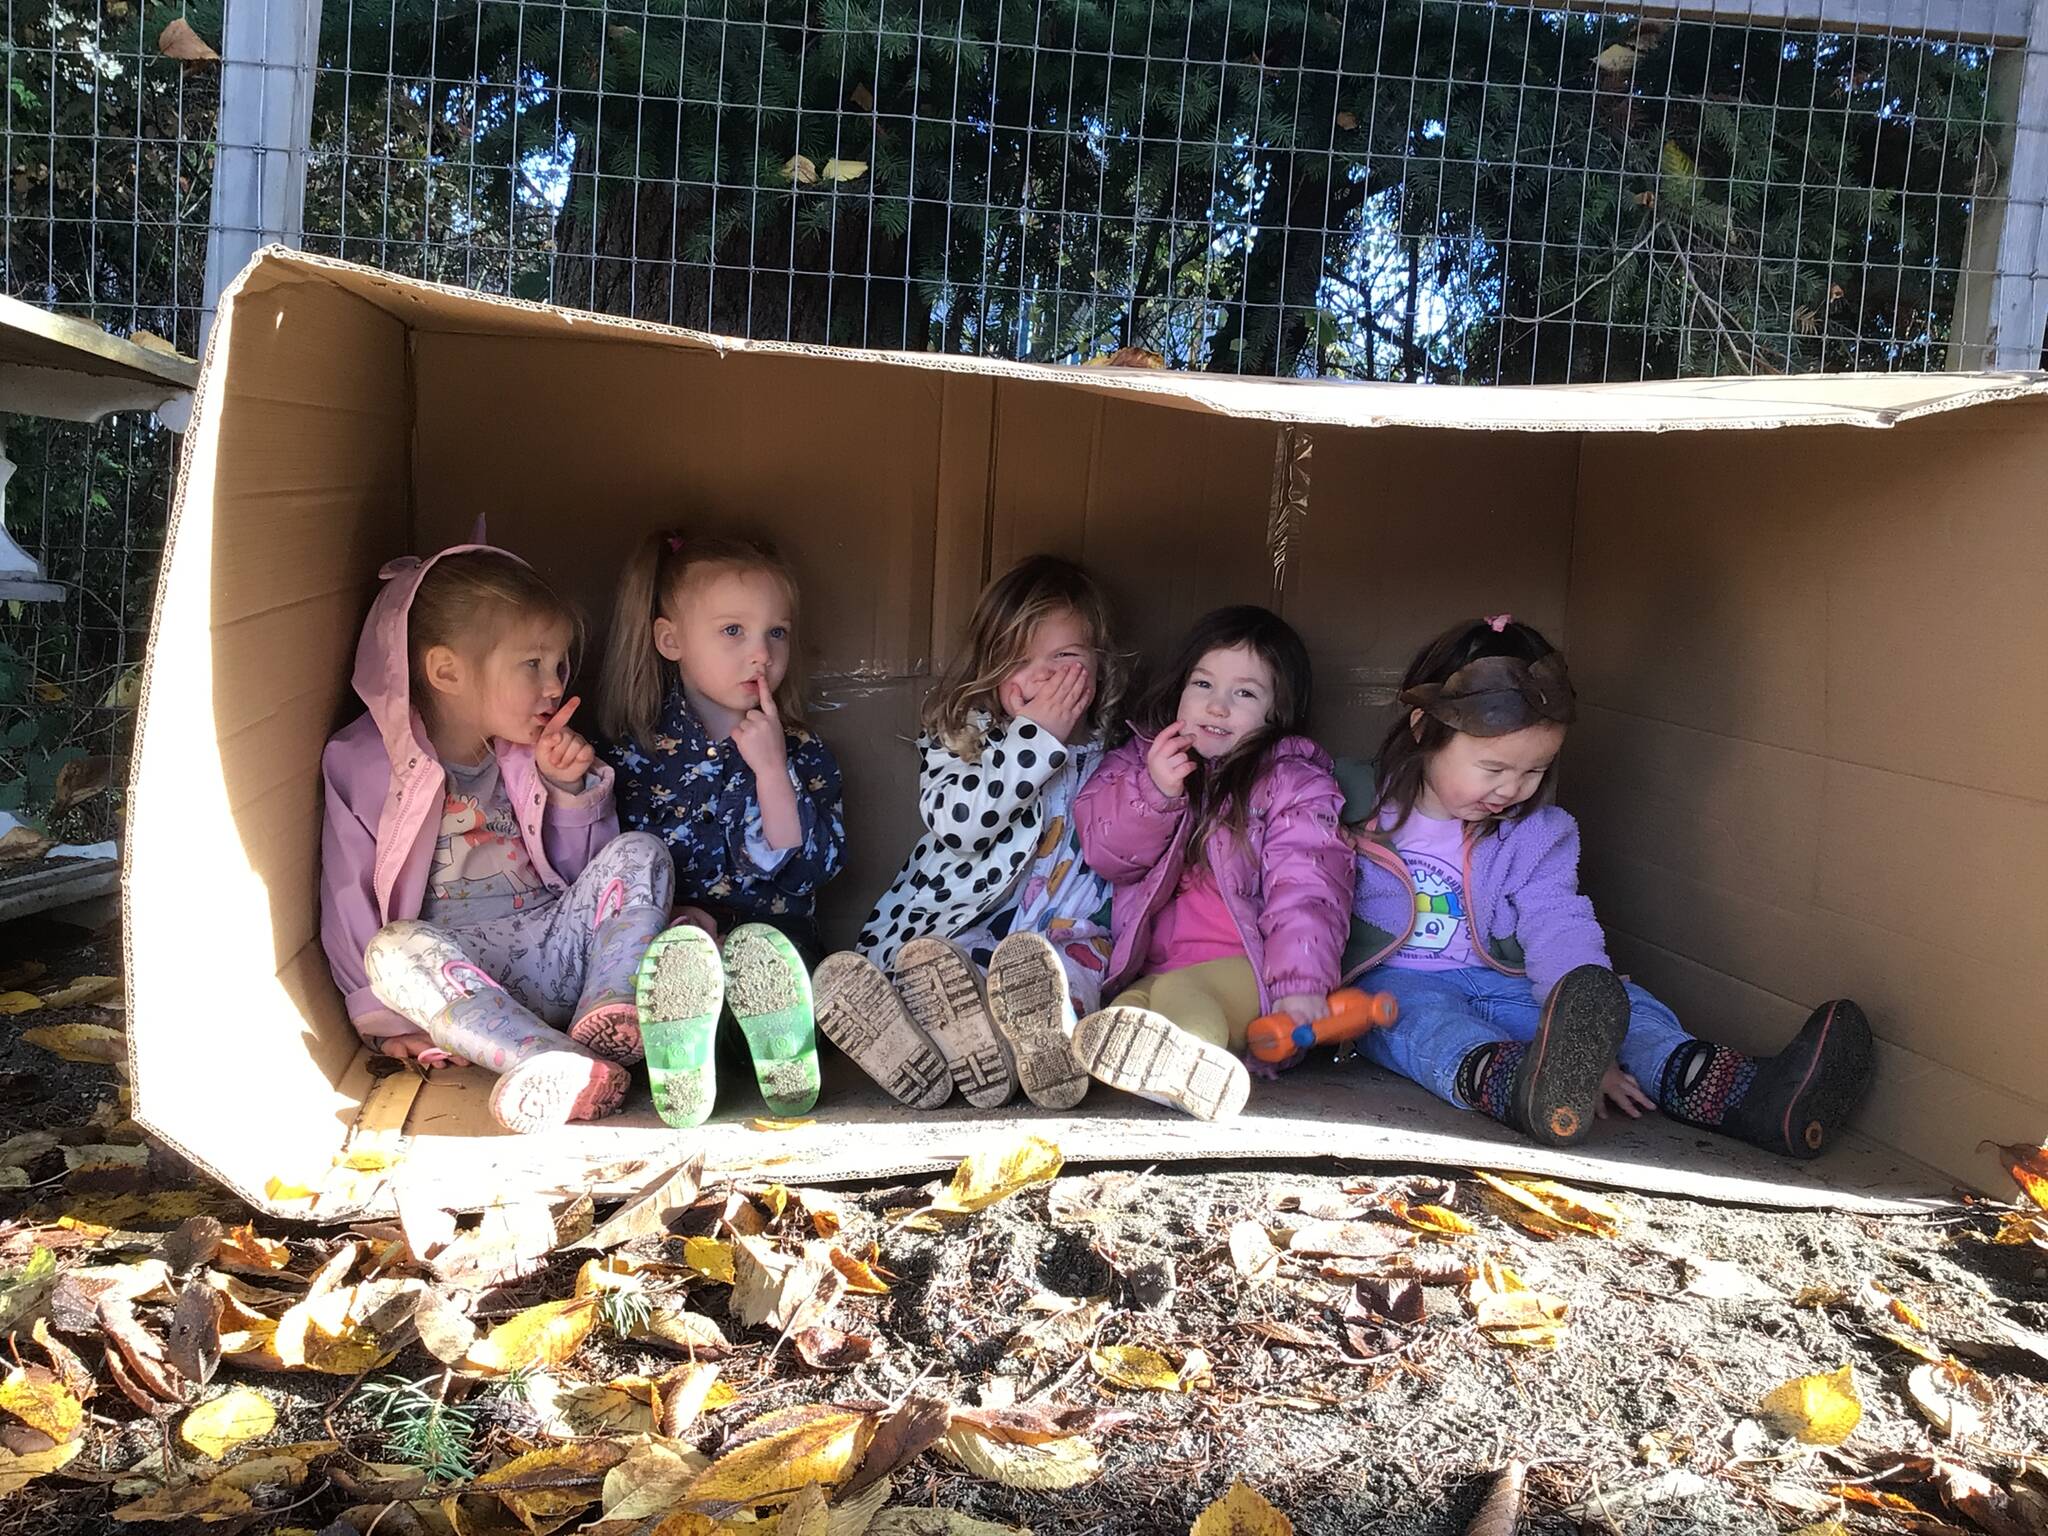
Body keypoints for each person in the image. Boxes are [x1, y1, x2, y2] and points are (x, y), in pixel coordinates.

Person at [1338, 614, 1873, 1157]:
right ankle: (1514, 1085)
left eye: (1535, 771)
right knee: (1412, 1022)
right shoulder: (1347, 806)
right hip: (1398, 984)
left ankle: (1743, 1094)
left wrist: (1594, 1043)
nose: (1513, 789)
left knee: (1627, 1007)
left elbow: (1558, 924)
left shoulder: (1535, 833)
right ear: (1423, 729)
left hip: (1512, 981)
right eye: (1494, 769)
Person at [321, 544, 672, 1133]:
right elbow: (346, 894)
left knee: (642, 851)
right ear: (447, 672)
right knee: (391, 948)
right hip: (465, 977)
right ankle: (551, 1060)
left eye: (559, 665)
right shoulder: (364, 763)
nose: (555, 685)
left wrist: (569, 792)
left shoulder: (534, 755)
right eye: (533, 664)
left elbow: (584, 876)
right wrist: (384, 1017)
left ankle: (613, 1007)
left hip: (558, 950)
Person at [815, 555, 1129, 1110]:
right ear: (991, 669)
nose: (1041, 676)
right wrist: (1037, 739)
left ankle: (1042, 1056)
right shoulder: (966, 738)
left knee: (1066, 983)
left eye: (1064, 658)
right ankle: (915, 1045)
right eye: (1019, 660)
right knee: (943, 976)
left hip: (1068, 936)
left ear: (1100, 666)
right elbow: (959, 827)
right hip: (969, 925)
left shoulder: (1121, 755)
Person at [594, 531, 843, 1125]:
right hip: (671, 939)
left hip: (775, 938)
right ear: (671, 641)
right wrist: (679, 916)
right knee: (670, 972)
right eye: (734, 630)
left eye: (776, 633)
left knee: (786, 975)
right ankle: (683, 1053)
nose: (761, 654)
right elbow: (607, 872)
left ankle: (775, 1051)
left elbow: (812, 869)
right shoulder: (633, 753)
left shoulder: (802, 751)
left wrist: (772, 770)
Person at [1071, 606, 1352, 1121]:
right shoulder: (1142, 761)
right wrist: (1154, 791)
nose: (1217, 706)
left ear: (1278, 711)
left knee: (1180, 994)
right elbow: (1107, 854)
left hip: (1252, 973)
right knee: (1123, 1011)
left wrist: (1301, 988)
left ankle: (1198, 1068)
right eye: (1203, 684)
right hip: (1158, 967)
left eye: (1244, 693)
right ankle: (1107, 1072)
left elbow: (1308, 889)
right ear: (1180, 688)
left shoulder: (1292, 783)